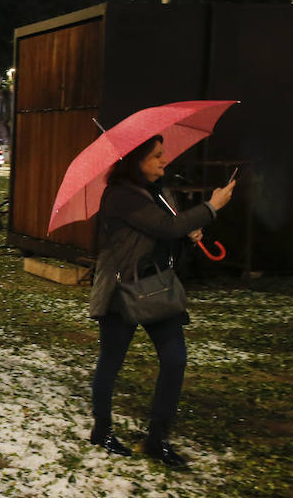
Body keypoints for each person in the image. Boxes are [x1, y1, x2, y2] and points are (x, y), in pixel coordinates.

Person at [87, 135, 235, 467]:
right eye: (155, 156)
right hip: (120, 290)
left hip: (157, 287)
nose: (163, 161)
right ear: (134, 161)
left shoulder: (161, 192)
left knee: (175, 358)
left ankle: (157, 438)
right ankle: (102, 428)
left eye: (162, 154)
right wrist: (210, 208)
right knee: (111, 361)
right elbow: (165, 226)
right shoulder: (120, 196)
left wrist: (187, 234)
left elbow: (168, 234)